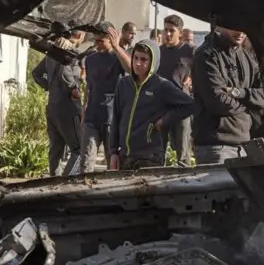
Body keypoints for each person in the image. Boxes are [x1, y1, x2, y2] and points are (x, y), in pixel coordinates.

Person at [109, 39, 195, 170]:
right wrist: (113, 152)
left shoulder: (162, 86)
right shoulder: (124, 84)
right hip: (125, 156)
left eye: (144, 60)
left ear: (153, 62)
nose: (138, 63)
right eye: (135, 58)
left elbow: (190, 105)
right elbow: (116, 118)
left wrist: (165, 120)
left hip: (150, 157)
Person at [191, 25, 264, 164]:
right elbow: (217, 101)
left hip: (244, 145)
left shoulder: (247, 56)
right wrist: (249, 106)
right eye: (234, 26)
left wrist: (237, 92)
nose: (240, 32)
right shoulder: (206, 54)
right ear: (221, 25)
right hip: (216, 146)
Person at [80, 22, 131, 172]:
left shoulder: (118, 57)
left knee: (113, 163)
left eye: (101, 41)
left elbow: (131, 68)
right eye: (95, 40)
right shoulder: (90, 59)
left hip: (112, 118)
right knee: (86, 163)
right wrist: (84, 109)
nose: (97, 44)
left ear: (111, 39)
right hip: (92, 117)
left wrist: (117, 47)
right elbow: (89, 87)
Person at [32, 36, 83, 176]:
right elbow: (64, 72)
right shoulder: (70, 53)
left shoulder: (51, 55)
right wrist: (74, 89)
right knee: (79, 150)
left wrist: (48, 86)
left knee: (56, 150)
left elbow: (36, 74)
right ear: (80, 36)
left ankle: (53, 183)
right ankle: (65, 184)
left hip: (53, 107)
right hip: (68, 108)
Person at [157, 14, 196, 166]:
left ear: (180, 32)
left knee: (183, 151)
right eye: (165, 30)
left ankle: (184, 181)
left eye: (171, 31)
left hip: (182, 106)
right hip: (160, 106)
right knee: (158, 149)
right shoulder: (158, 52)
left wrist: (193, 77)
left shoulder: (190, 50)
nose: (167, 34)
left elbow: (202, 71)